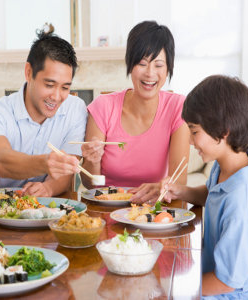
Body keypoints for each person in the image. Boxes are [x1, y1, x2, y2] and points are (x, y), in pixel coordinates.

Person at [162, 75, 248, 298]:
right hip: (208, 277)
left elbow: (226, 282)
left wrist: (176, 292)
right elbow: (211, 194)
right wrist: (180, 191)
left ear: (223, 131)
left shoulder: (241, 198)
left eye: (194, 132)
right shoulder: (225, 165)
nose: (191, 142)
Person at [80, 20, 189, 203]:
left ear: (169, 67)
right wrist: (92, 161)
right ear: (130, 64)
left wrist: (163, 190)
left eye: (158, 65)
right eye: (142, 63)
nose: (150, 73)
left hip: (153, 212)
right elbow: (90, 184)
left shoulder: (178, 107)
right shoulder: (103, 106)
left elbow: (179, 183)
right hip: (107, 207)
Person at [0, 30, 87, 196]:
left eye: (65, 87)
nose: (56, 97)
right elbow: (1, 162)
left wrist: (48, 188)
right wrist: (46, 162)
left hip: (48, 210)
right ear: (28, 72)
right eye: (49, 85)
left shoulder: (75, 109)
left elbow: (67, 171)